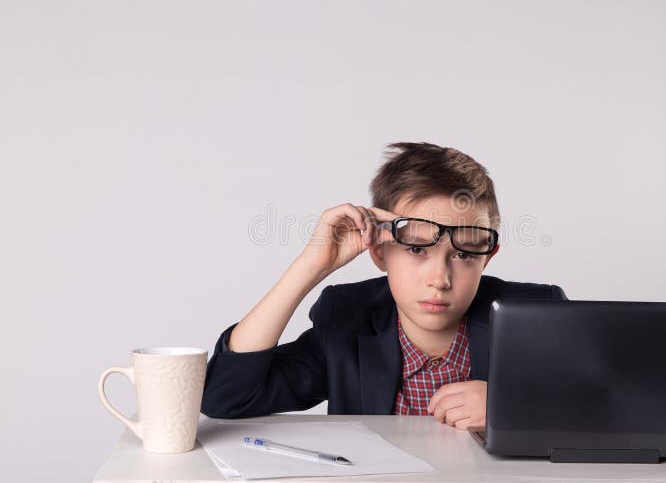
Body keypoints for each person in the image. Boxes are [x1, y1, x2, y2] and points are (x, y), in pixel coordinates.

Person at [200, 142, 567, 430]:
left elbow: (612, 402)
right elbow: (225, 398)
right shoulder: (348, 318)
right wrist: (311, 266)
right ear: (379, 252)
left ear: (486, 257)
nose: (439, 279)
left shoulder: (536, 315)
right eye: (416, 249)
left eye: (465, 254)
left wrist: (512, 404)